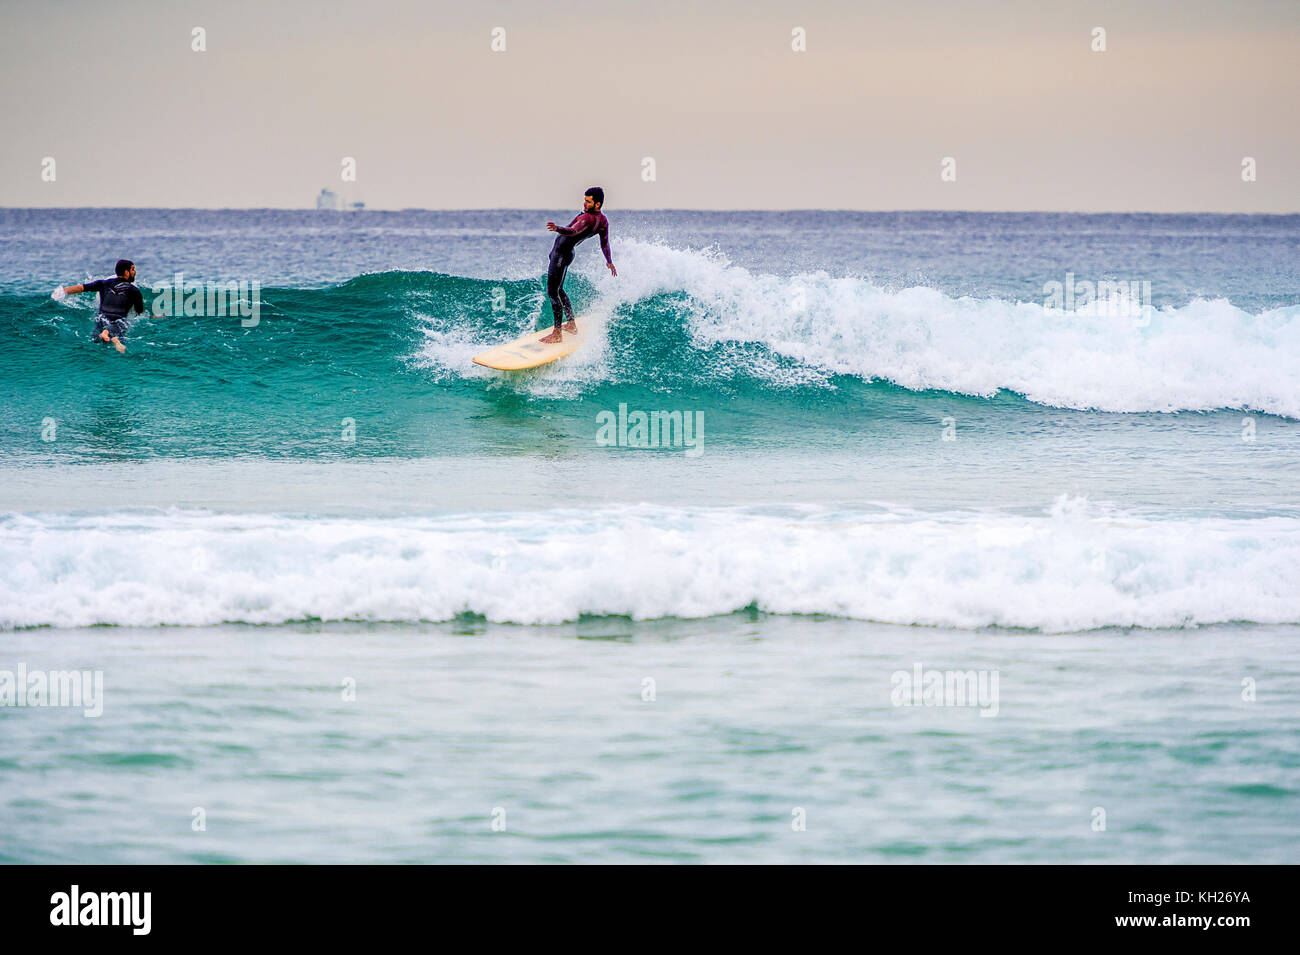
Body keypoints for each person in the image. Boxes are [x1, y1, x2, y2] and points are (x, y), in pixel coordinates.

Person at [541, 187, 616, 344]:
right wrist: (609, 261)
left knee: (553, 293)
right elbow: (604, 243)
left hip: (561, 256)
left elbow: (572, 231)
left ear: (597, 204)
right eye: (585, 200)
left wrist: (557, 228)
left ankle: (557, 334)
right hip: (565, 254)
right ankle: (571, 324)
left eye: (588, 201)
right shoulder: (602, 221)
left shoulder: (587, 219)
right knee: (559, 290)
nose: (584, 203)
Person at [53, 259, 145, 354]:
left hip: (102, 317)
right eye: (133, 269)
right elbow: (140, 313)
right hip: (119, 320)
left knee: (96, 340)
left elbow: (81, 288)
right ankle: (115, 340)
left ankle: (104, 333)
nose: (135, 272)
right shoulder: (134, 291)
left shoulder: (103, 283)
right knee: (118, 334)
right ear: (126, 272)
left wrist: (61, 291)